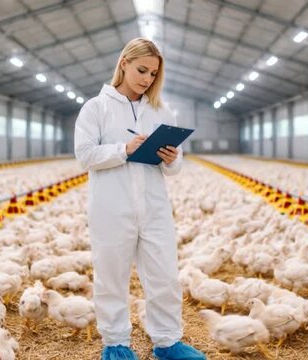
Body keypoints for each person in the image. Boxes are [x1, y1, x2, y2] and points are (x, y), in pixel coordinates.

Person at [74, 38, 206, 360]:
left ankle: (167, 342)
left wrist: (171, 157)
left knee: (164, 276)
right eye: (141, 70)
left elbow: (174, 169)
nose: (147, 79)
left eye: (153, 74)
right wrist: (125, 149)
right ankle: (116, 343)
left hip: (154, 206)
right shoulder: (96, 107)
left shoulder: (161, 110)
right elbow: (85, 156)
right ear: (124, 64)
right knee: (111, 277)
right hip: (111, 207)